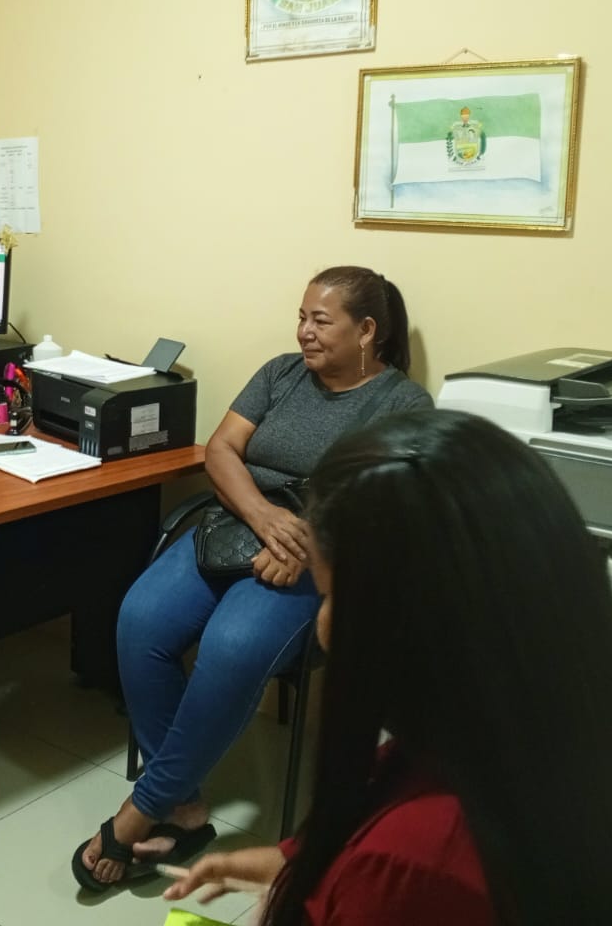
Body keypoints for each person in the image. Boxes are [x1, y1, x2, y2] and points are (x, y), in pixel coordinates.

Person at [165, 411, 612, 926]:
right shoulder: (587, 736)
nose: (324, 623)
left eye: (332, 595)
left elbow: (403, 873)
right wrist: (293, 865)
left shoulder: (418, 863)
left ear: (411, 623)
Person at [72, 266, 431, 891]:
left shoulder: (402, 404)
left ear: (367, 330)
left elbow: (387, 504)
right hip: (236, 528)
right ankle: (183, 804)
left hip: (315, 553)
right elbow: (221, 450)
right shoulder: (280, 374)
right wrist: (265, 517)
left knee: (231, 647)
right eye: (301, 317)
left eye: (321, 321)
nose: (304, 332)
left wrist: (308, 544)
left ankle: (143, 810)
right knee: (139, 620)